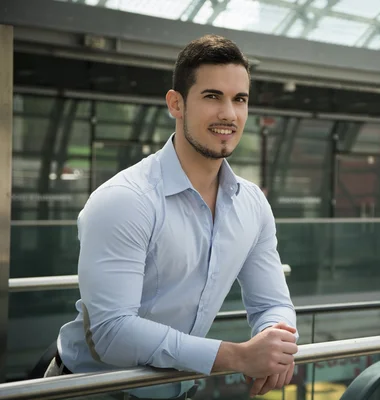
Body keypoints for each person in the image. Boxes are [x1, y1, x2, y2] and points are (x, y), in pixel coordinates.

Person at [45, 34, 298, 400]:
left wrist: (278, 345)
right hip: (90, 390)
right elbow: (112, 333)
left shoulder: (252, 205)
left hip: (178, 392)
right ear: (175, 104)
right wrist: (237, 357)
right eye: (212, 96)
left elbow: (272, 303)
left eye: (239, 99)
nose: (229, 114)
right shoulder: (125, 200)